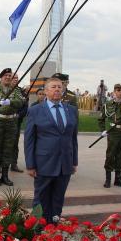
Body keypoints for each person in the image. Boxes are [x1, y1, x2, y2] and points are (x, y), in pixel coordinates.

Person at [24, 77, 78, 224]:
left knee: (58, 199)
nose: (57, 90)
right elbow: (29, 139)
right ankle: (37, 229)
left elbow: (73, 138)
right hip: (44, 163)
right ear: (46, 91)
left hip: (65, 164)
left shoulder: (71, 110)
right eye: (53, 87)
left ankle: (54, 228)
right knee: (41, 199)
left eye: (60, 87)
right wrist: (30, 164)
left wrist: (74, 161)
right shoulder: (35, 110)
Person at [98, 84, 121, 188]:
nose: (120, 92)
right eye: (118, 90)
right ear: (114, 91)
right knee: (110, 155)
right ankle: (108, 178)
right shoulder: (108, 105)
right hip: (113, 132)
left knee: (120, 155)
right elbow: (101, 119)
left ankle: (118, 179)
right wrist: (103, 130)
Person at [11, 73, 26, 173]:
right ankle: (0, 165)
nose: (15, 79)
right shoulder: (4, 89)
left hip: (16, 121)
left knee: (14, 144)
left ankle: (14, 164)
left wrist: (19, 115)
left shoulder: (21, 92)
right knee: (3, 144)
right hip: (4, 120)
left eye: (17, 78)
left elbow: (25, 106)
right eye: (14, 78)